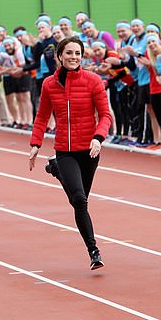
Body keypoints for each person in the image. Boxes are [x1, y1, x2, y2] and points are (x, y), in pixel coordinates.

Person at [28, 36, 112, 270]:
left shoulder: (93, 80)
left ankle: (55, 169)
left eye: (77, 53)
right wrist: (35, 143)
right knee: (79, 199)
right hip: (64, 150)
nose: (73, 57)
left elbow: (106, 115)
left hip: (90, 150)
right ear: (60, 56)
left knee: (80, 200)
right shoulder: (48, 84)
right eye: (69, 53)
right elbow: (42, 116)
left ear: (82, 56)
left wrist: (98, 138)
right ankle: (94, 251)